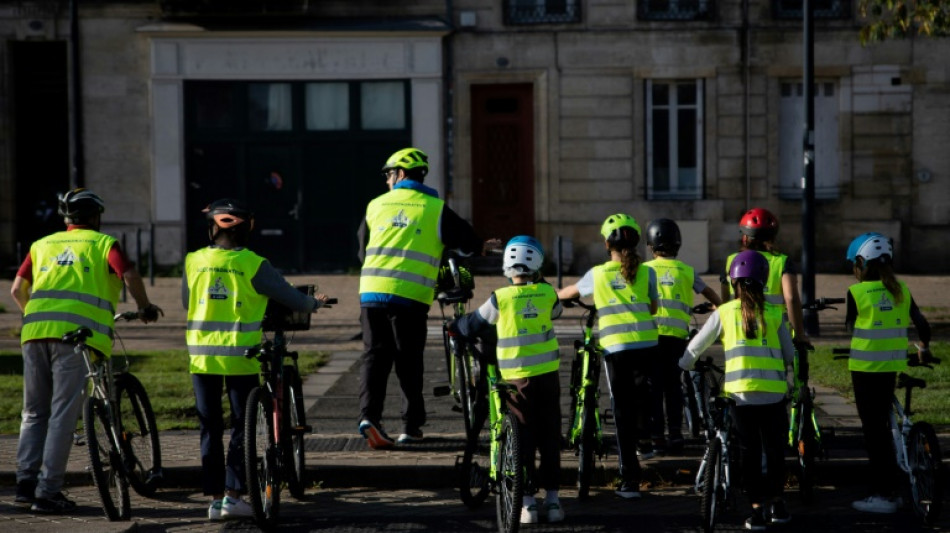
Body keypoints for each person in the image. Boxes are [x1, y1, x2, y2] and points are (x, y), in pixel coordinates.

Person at [11, 188, 163, 513]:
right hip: (76, 340)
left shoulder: (41, 245)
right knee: (62, 415)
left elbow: (16, 289)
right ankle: (48, 491)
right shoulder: (103, 243)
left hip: (34, 334)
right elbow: (129, 274)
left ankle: (24, 485)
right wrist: (145, 306)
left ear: (67, 218)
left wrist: (36, 318)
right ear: (95, 217)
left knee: (34, 412)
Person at [182, 198, 329, 521]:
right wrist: (315, 303)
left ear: (213, 228)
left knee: (209, 427)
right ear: (245, 229)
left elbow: (185, 301)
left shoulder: (193, 261)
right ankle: (233, 497)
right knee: (240, 427)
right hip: (240, 356)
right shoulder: (253, 264)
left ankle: (214, 499)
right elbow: (292, 299)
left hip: (201, 357)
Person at [357, 147, 491, 449]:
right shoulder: (435, 208)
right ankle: (410, 426)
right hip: (410, 297)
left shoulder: (375, 205)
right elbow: (467, 240)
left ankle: (369, 418)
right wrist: (483, 246)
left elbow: (360, 249)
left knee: (374, 356)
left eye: (389, 175)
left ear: (400, 174)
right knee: (408, 360)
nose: (387, 181)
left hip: (372, 292)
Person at [450, 236, 565, 524]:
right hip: (548, 376)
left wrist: (455, 326)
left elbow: (473, 324)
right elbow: (557, 312)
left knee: (522, 437)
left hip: (516, 378)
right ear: (537, 265)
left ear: (506, 266)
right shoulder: (547, 293)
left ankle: (527, 504)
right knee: (550, 436)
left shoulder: (500, 298)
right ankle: (553, 501)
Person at [681, 250, 794, 530]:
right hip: (774, 394)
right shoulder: (774, 313)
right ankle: (777, 504)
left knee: (749, 452)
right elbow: (790, 355)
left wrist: (685, 365)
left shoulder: (725, 313)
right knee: (775, 450)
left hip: (740, 396)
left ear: (733, 282)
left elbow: (694, 349)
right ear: (764, 280)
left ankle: (755, 511)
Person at [557, 213, 659, 499]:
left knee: (621, 411)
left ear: (606, 243)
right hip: (648, 344)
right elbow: (652, 307)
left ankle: (629, 480)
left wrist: (556, 292)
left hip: (617, 349)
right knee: (643, 399)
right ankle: (647, 441)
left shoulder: (598, 274)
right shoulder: (648, 272)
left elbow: (568, 293)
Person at [843, 232, 932, 514]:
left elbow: (850, 328)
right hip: (892, 366)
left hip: (865, 369)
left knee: (874, 433)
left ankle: (884, 494)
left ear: (861, 263)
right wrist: (923, 348)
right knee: (885, 423)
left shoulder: (856, 292)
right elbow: (922, 324)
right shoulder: (901, 289)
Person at [643, 218, 722, 452]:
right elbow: (710, 294)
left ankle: (657, 436)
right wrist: (719, 307)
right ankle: (676, 434)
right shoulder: (687, 271)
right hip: (677, 338)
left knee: (653, 388)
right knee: (674, 387)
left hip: (650, 338)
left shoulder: (644, 270)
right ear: (677, 245)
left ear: (650, 246)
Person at [721, 207, 810, 347]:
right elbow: (791, 298)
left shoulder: (732, 261)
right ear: (772, 237)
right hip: (774, 330)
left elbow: (725, 301)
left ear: (745, 238)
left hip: (739, 328)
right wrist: (799, 334)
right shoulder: (781, 261)